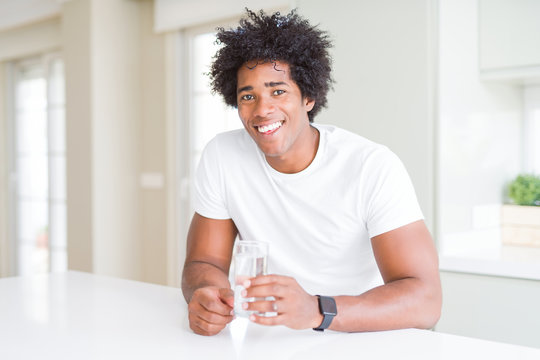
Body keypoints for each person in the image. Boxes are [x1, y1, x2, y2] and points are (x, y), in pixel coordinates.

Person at [181, 9, 442, 336]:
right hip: (273, 338)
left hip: (368, 336)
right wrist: (206, 294)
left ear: (308, 97)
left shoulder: (371, 166)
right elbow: (204, 263)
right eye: (248, 96)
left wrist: (317, 309)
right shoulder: (222, 156)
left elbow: (426, 299)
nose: (262, 110)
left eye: (278, 91)